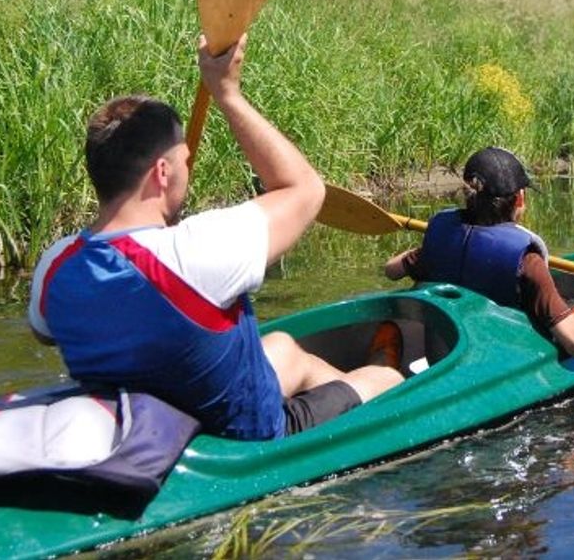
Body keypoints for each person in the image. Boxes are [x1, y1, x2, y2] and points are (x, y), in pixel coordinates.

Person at [28, 33, 404, 441]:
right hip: (245, 437)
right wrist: (227, 93)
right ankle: (379, 376)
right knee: (387, 379)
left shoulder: (55, 266)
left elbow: (44, 332)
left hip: (140, 434)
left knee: (284, 348)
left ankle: (338, 386)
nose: (187, 169)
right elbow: (306, 190)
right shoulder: (197, 251)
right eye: (184, 160)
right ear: (162, 173)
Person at [384, 147, 574, 357]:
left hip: (446, 346)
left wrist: (434, 245)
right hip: (500, 352)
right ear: (519, 198)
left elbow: (391, 269)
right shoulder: (526, 260)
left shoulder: (440, 235)